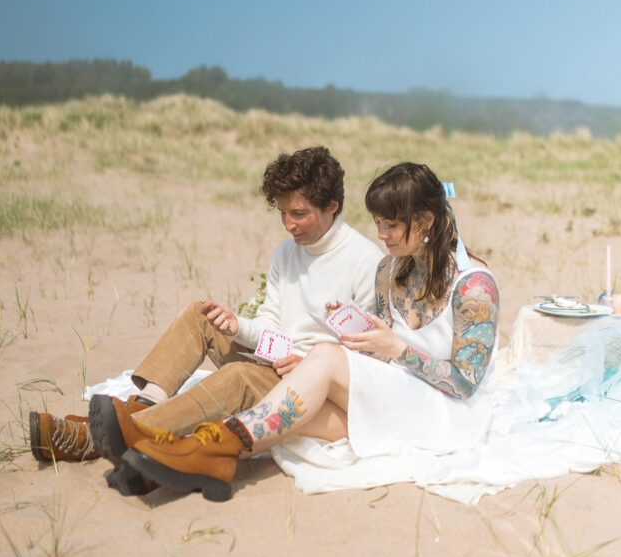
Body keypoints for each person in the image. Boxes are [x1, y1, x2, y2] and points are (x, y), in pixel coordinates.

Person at [117, 162, 500, 501]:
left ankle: (194, 451)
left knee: (317, 364)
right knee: (285, 412)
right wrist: (356, 334)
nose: (381, 234)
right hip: (392, 395)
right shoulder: (390, 271)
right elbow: (373, 353)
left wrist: (396, 349)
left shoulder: (474, 287)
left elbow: (465, 384)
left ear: (426, 221)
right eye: (377, 223)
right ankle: (192, 456)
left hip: (445, 412)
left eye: (391, 225)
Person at [30, 146, 383, 493]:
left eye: (300, 213)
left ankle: (99, 437)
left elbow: (368, 358)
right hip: (279, 359)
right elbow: (273, 324)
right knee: (201, 316)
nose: (289, 224)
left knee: (240, 376)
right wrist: (236, 325)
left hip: (314, 386)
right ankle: (145, 406)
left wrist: (307, 363)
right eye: (283, 213)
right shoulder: (286, 252)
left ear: (332, 206)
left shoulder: (365, 262)